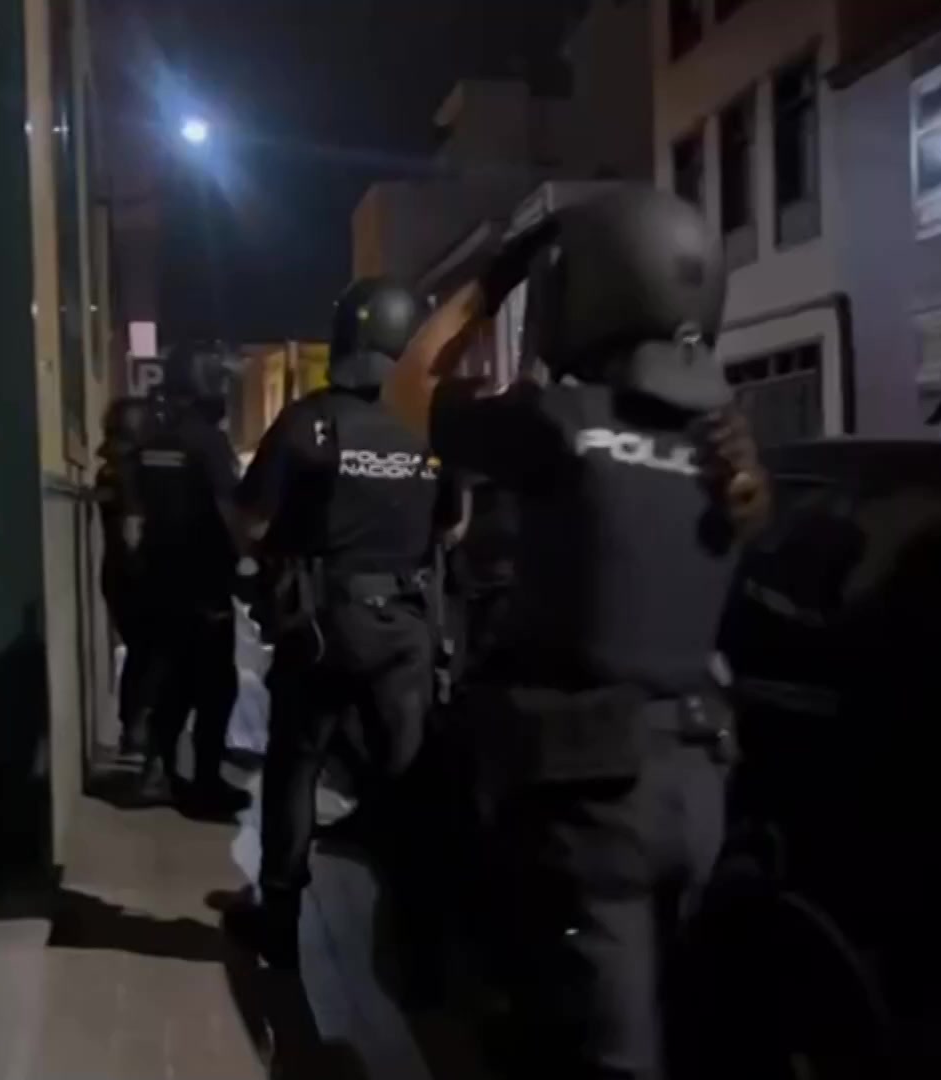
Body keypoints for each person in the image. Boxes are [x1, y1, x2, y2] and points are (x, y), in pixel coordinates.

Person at [379, 185, 772, 1079]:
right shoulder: (729, 450)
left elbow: (409, 391)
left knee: (599, 1051)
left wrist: (494, 278)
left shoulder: (563, 425)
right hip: (698, 785)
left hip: (590, 799)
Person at [224, 277, 443, 969]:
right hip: (403, 627)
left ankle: (280, 919)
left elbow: (250, 522)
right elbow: (456, 525)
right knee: (406, 781)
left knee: (296, 765)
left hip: (320, 626)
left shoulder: (308, 422)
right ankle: (417, 942)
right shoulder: (428, 431)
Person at [120, 342, 252, 817]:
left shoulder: (149, 442)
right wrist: (249, 562)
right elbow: (229, 510)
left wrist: (142, 569)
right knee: (215, 685)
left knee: (166, 678)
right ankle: (206, 781)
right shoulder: (208, 443)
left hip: (157, 581)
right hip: (204, 583)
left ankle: (156, 771)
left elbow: (132, 518)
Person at [96, 395, 162, 758]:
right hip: (137, 574)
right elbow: (132, 527)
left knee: (141, 653)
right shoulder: (130, 471)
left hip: (117, 573)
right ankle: (138, 729)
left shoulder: (110, 468)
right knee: (150, 655)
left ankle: (133, 728)